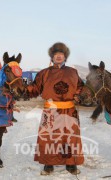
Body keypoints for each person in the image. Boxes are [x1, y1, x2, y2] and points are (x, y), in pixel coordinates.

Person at [27, 42, 84, 175]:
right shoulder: (44, 73)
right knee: (49, 137)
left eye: (61, 54)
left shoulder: (73, 72)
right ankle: (48, 163)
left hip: (69, 110)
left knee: (70, 137)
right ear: (51, 57)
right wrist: (21, 88)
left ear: (65, 57)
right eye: (56, 54)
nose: (58, 57)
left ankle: (71, 164)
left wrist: (79, 95)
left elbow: (81, 87)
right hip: (50, 110)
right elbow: (35, 89)